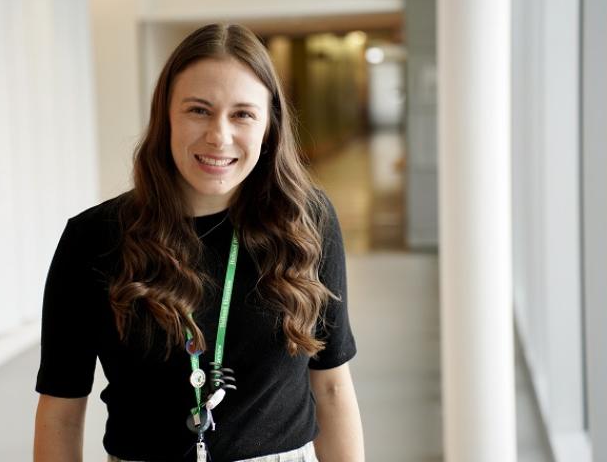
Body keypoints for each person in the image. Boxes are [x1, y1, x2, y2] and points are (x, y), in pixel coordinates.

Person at [33, 23, 365, 462]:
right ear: (165, 116)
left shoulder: (306, 222)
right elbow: (61, 411)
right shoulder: (94, 238)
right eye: (198, 110)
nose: (219, 136)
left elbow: (332, 385)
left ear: (269, 127)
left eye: (243, 114)